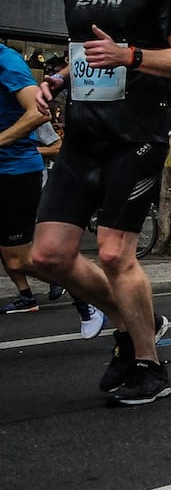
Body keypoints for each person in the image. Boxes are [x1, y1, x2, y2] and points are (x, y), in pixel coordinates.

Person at [32, 0, 171, 405]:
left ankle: (149, 365)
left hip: (137, 135)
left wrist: (131, 56)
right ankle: (135, 320)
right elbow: (86, 53)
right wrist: (58, 80)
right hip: (84, 134)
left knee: (112, 252)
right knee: (49, 256)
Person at [0, 43, 63, 314]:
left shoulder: (7, 61)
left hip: (14, 173)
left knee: (17, 260)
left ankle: (81, 285)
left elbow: (39, 113)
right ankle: (27, 296)